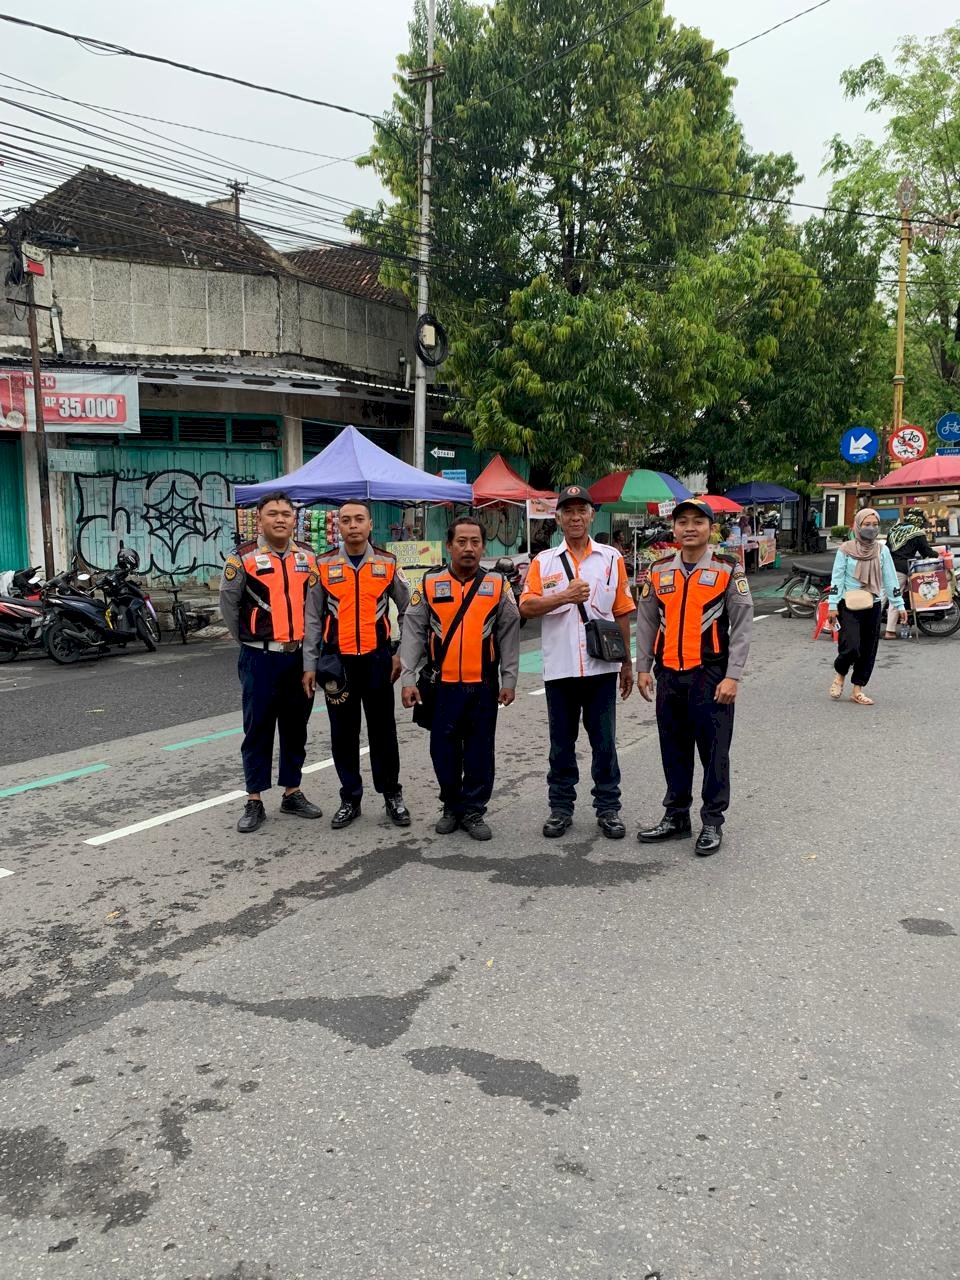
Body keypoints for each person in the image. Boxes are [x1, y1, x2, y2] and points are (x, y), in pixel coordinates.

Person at [635, 499, 752, 856]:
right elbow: (646, 620)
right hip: (668, 675)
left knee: (714, 752)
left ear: (710, 528)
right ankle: (676, 816)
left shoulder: (727, 570)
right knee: (673, 748)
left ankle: (712, 821)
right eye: (682, 521)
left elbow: (742, 626)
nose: (689, 528)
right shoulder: (657, 571)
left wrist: (732, 676)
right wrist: (643, 667)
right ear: (674, 529)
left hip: (710, 676)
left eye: (697, 522)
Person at [519, 485, 635, 839]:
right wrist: (563, 596)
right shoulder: (544, 562)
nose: (574, 517)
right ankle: (560, 808)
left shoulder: (612, 558)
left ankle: (608, 808)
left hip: (601, 668)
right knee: (561, 744)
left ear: (590, 515)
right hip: (561, 669)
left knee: (604, 743)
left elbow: (623, 611)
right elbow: (526, 606)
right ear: (557, 518)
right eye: (567, 511)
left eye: (580, 510)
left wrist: (627, 663)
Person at [400, 517, 521, 840]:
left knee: (481, 750)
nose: (469, 548)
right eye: (462, 542)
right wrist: (408, 679)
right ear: (450, 545)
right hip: (442, 686)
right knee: (443, 749)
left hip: (483, 686)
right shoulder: (429, 583)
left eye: (475, 542)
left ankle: (473, 811)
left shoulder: (498, 585)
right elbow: (412, 632)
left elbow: (509, 634)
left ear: (483, 547)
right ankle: (451, 806)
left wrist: (509, 680)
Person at [303, 500, 412, 829]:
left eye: (359, 519)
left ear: (369, 525)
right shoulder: (322, 566)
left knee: (383, 732)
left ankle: (391, 794)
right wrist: (310, 664)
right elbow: (311, 619)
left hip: (378, 660)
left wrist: (401, 654)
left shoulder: (388, 563)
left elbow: (411, 611)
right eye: (346, 520)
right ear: (338, 526)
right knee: (343, 734)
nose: (353, 525)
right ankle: (350, 797)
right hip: (338, 663)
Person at [219, 491, 324, 834]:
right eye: (272, 514)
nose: (280, 519)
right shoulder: (243, 558)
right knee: (258, 729)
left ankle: (292, 792)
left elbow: (315, 611)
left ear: (294, 520)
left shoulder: (309, 557)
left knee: (296, 728)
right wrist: (252, 641)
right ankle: (254, 799)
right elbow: (229, 608)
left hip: (299, 659)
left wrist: (310, 658)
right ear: (260, 519)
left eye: (286, 514)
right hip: (259, 658)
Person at [826, 507, 906, 706]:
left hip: (873, 604)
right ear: (858, 525)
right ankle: (840, 673)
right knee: (850, 647)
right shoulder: (845, 549)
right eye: (866, 524)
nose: (871, 528)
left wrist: (899, 604)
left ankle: (857, 689)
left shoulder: (882, 550)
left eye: (875, 524)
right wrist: (832, 604)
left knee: (868, 649)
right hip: (849, 604)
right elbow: (837, 577)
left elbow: (890, 579)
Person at [883, 508, 937, 640]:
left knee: (880, 596)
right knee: (895, 598)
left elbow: (886, 548)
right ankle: (889, 631)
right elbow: (927, 553)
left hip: (885, 565)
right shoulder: (917, 532)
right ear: (919, 519)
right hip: (900, 569)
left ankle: (866, 627)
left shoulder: (894, 529)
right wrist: (939, 554)